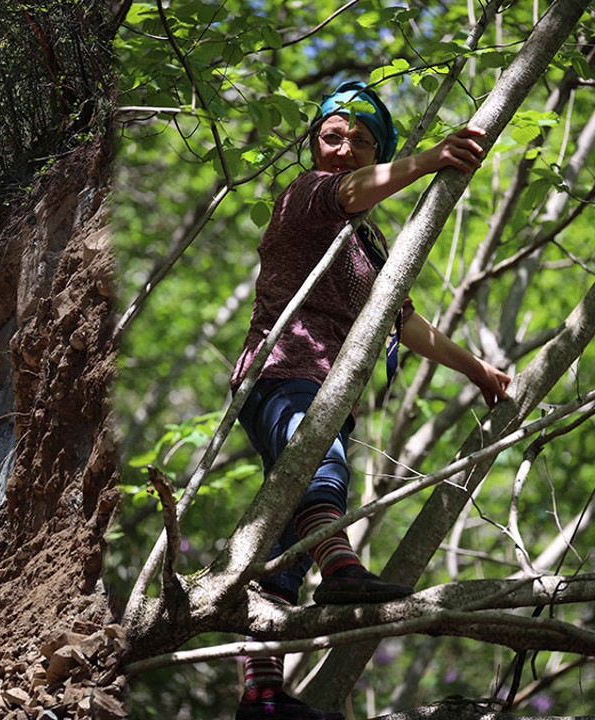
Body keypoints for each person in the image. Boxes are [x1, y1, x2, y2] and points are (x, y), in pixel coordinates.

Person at [232, 81, 512, 720]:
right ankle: (340, 570)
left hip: (328, 384)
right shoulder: (304, 195)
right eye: (333, 135)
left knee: (281, 546)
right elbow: (349, 191)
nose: (343, 148)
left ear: (375, 151)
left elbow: (403, 322)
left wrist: (478, 371)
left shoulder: (367, 245)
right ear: (315, 143)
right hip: (283, 371)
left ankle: (262, 695)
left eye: (360, 141)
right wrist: (431, 158)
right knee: (321, 465)